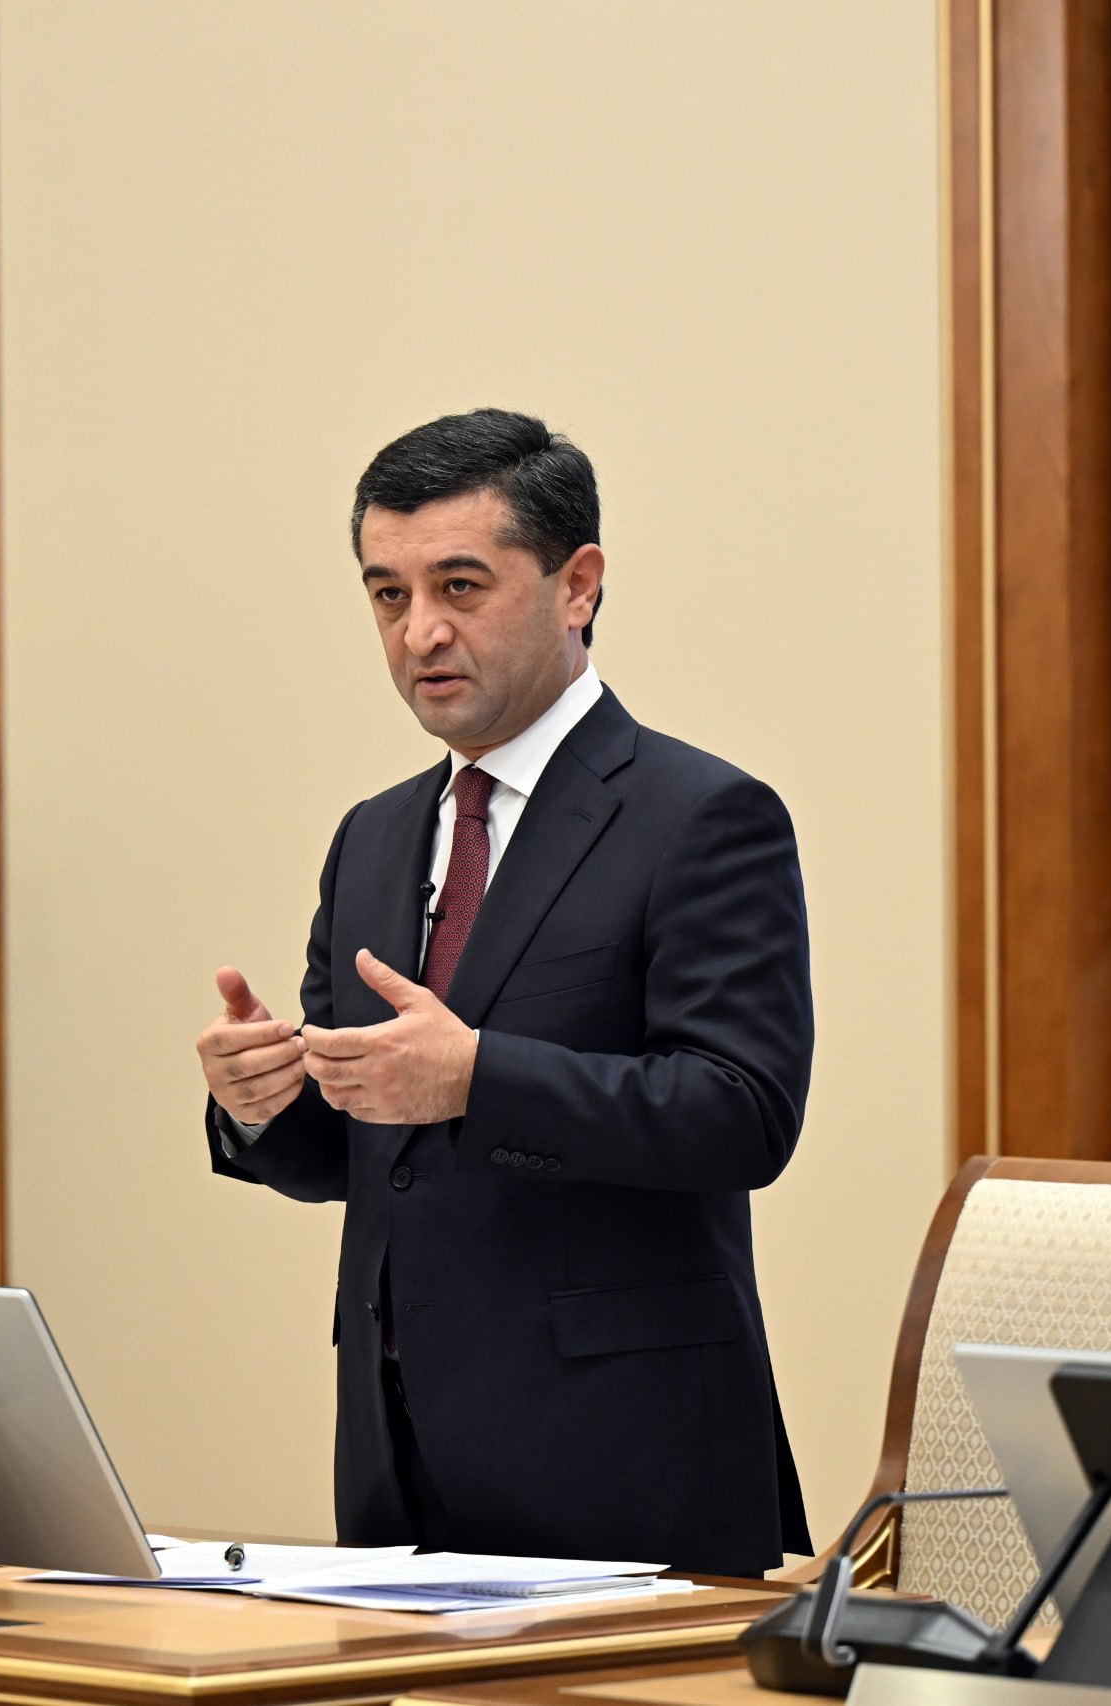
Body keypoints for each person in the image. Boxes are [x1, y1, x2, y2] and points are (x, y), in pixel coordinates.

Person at [194, 408, 813, 1576]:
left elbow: (741, 1112)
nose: (418, 630)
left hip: (624, 1466)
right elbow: (358, 1156)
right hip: (398, 1462)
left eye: (459, 586)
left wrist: (479, 1077)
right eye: (387, 594)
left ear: (576, 585)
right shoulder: (372, 838)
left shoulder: (701, 816)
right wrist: (263, 1101)